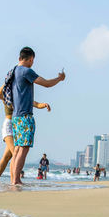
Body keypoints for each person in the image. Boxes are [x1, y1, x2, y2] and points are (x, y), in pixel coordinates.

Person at [6, 47, 65, 185]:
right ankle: (16, 180)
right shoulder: (27, 71)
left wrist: (39, 104)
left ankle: (13, 180)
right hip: (25, 116)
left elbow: (20, 96)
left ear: (20, 57)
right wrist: (60, 78)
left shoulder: (13, 72)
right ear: (31, 58)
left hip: (15, 116)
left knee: (17, 149)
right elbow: (47, 84)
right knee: (24, 148)